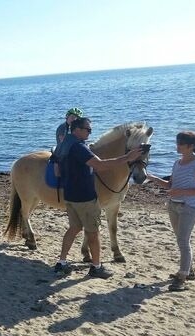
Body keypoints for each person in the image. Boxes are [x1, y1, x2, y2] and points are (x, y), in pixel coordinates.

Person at [53, 117, 143, 279]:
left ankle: (62, 262)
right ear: (77, 130)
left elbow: (56, 171)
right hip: (85, 197)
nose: (90, 133)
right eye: (88, 130)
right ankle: (96, 267)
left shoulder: (64, 144)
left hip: (70, 195)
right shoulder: (79, 147)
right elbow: (100, 165)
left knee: (73, 229)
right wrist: (127, 158)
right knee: (94, 233)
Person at [147, 131, 195, 291]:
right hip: (173, 205)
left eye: (181, 143)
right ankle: (189, 271)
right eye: (177, 142)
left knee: (183, 241)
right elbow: (170, 186)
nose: (177, 146)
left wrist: (181, 192)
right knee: (180, 239)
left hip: (189, 207)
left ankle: (182, 277)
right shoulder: (177, 163)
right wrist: (153, 178)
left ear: (191, 146)